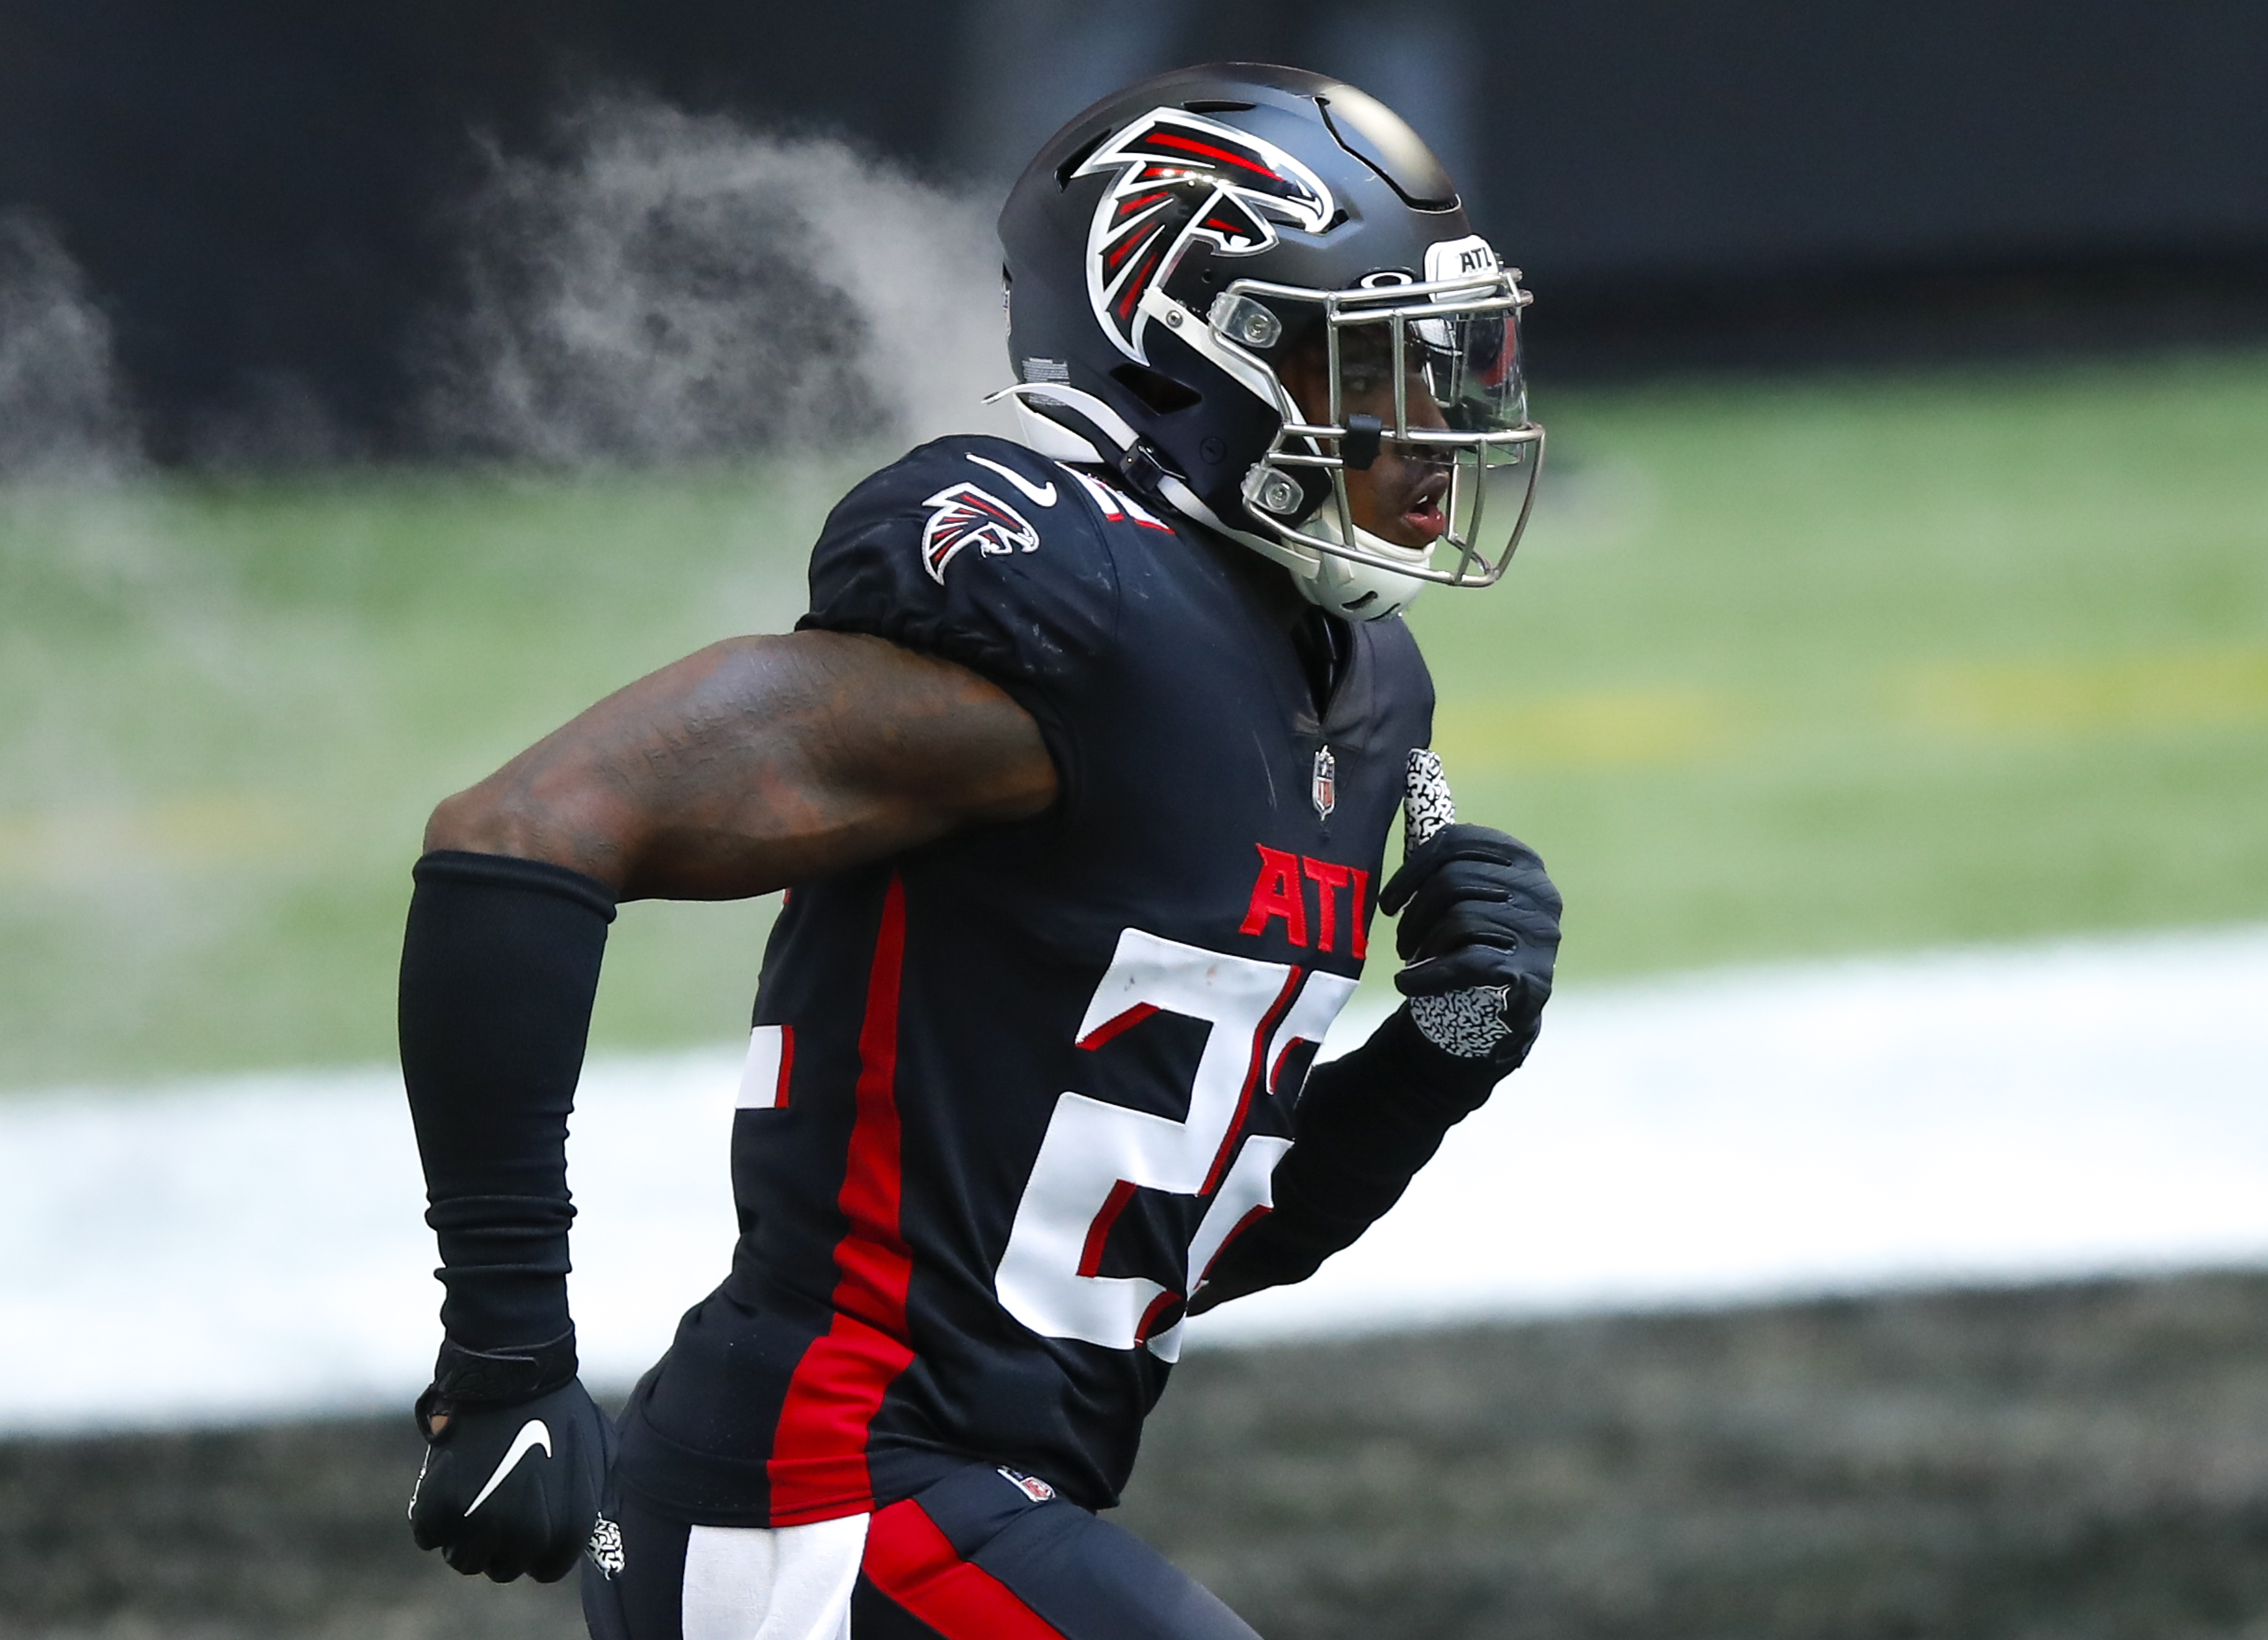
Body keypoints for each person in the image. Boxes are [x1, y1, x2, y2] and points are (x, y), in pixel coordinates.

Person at [400, 62, 1562, 1639]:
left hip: (965, 1490)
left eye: (1445, 368)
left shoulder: (1357, 687)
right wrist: (505, 1358)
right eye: (1369, 368)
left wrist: (1424, 1064)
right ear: (1180, 357)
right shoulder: (1069, 603)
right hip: (819, 1488)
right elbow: (519, 836)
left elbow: (1146, 1250)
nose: (1434, 435)